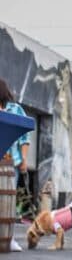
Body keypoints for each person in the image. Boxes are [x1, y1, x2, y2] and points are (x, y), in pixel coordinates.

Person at [1, 79, 31, 250]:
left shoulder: (15, 110)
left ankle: (9, 237)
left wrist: (24, 160)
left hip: (11, 164)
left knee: (8, 201)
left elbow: (24, 138)